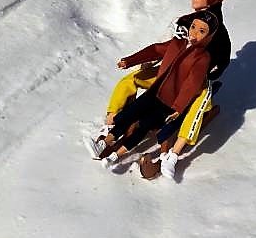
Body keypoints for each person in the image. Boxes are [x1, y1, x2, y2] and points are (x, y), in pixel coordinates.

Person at [103, 0, 231, 180]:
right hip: (168, 72)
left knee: (193, 109)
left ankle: (171, 153)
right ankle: (112, 122)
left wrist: (208, 75)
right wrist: (140, 61)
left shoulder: (217, 32)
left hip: (194, 81)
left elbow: (221, 62)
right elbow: (165, 46)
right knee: (133, 79)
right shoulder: (190, 20)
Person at [85, 11, 220, 167]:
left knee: (143, 126)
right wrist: (130, 61)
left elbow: (192, 84)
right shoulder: (177, 43)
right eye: (193, 27)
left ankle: (115, 157)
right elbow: (155, 50)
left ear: (209, 36)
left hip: (168, 103)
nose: (194, 33)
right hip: (153, 92)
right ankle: (103, 144)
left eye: (202, 31)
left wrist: (178, 107)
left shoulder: (202, 58)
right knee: (128, 115)